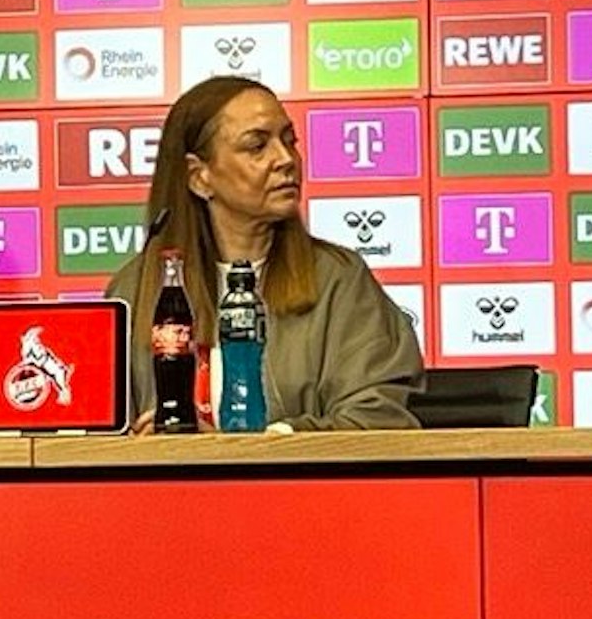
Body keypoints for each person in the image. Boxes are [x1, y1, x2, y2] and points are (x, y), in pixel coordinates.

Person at [106, 76, 422, 432]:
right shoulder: (135, 291)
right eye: (257, 146)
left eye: (290, 141)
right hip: (163, 489)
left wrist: (267, 444)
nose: (286, 159)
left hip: (298, 488)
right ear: (199, 177)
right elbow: (95, 432)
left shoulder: (338, 280)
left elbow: (381, 416)